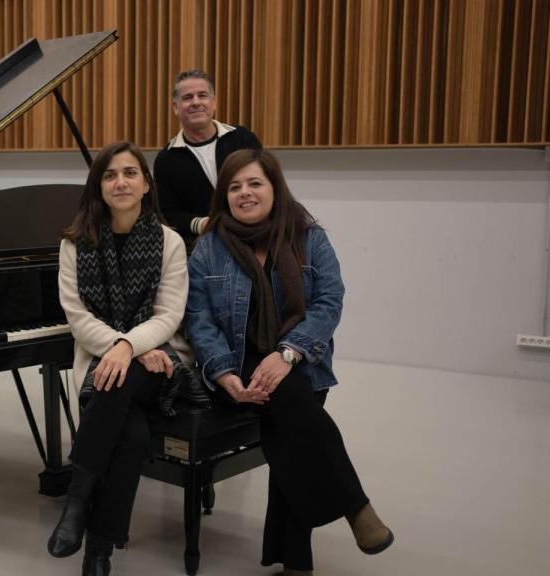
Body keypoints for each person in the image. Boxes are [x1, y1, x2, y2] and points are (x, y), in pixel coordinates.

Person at [184, 148, 393, 575]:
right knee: (296, 414)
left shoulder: (310, 237)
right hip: (237, 361)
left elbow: (329, 302)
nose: (244, 193)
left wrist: (288, 353)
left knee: (288, 435)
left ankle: (297, 560)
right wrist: (222, 370)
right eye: (235, 187)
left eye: (254, 183)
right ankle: (355, 508)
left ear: (275, 188)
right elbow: (198, 318)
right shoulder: (208, 248)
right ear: (224, 196)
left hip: (300, 358)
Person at [48, 141, 190, 576]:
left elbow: (169, 314)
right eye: (110, 175)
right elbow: (77, 317)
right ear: (99, 187)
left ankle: (76, 501)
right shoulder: (74, 243)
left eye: (130, 173)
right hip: (102, 355)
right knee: (128, 435)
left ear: (146, 185)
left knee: (117, 379)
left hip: (160, 359)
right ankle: (98, 553)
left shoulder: (169, 241)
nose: (121, 182)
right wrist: (122, 347)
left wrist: (131, 346)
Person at [154, 69, 261, 243]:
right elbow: (168, 213)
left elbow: (268, 184)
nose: (195, 102)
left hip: (255, 232)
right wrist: (202, 224)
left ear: (213, 102)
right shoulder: (166, 159)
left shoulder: (243, 138)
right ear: (175, 107)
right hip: (204, 243)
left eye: (202, 95)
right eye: (187, 97)